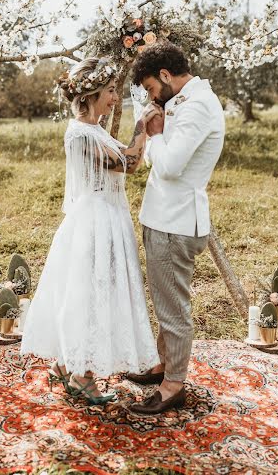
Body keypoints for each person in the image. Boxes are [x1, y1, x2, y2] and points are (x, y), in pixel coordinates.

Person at [20, 57, 160, 406]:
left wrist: (141, 131)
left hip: (108, 218)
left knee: (96, 292)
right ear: (93, 94)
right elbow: (129, 163)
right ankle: (82, 376)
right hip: (95, 223)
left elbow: (131, 162)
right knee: (91, 296)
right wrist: (142, 124)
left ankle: (68, 366)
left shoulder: (95, 130)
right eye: (111, 91)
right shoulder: (81, 134)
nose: (115, 99)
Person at [128, 42, 225, 415]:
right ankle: (162, 365)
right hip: (164, 218)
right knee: (165, 300)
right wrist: (161, 129)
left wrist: (154, 135)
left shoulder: (199, 106)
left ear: (166, 76)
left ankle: (173, 385)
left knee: (173, 309)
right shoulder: (185, 101)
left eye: (153, 88)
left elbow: (168, 167)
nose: (154, 96)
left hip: (177, 222)